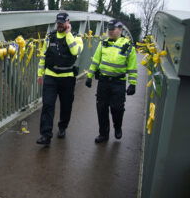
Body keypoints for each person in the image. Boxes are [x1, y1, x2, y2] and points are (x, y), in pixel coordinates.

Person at [85, 19, 137, 143]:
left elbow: (132, 67)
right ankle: (103, 134)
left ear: (120, 30)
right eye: (109, 30)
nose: (110, 32)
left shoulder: (128, 46)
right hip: (103, 81)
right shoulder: (103, 43)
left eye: (113, 30)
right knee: (101, 108)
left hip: (118, 82)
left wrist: (133, 84)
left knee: (117, 108)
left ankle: (117, 126)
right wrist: (89, 76)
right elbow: (96, 61)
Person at [36, 12, 83, 146]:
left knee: (66, 106)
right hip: (51, 76)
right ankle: (46, 135)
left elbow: (75, 52)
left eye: (62, 23)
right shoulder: (50, 37)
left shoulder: (76, 38)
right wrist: (40, 73)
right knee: (48, 105)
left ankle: (62, 127)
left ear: (68, 22)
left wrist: (68, 34)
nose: (60, 25)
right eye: (58, 23)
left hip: (67, 78)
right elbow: (43, 56)